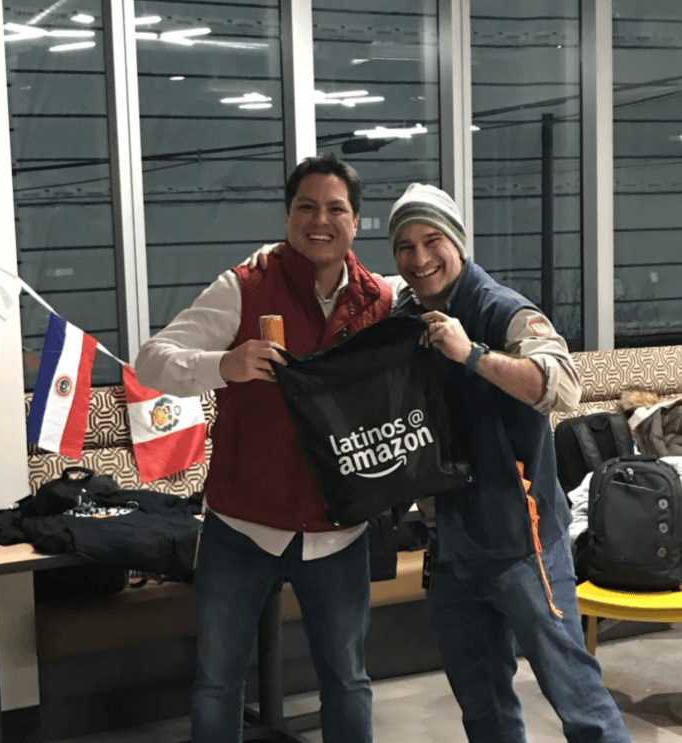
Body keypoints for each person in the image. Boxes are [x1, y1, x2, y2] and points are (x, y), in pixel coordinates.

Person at [134, 153, 394, 743]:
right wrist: (224, 364)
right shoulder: (244, 287)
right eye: (306, 206)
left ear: (356, 222)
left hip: (337, 530)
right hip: (241, 525)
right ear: (286, 217)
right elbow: (151, 360)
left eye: (335, 208)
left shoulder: (379, 301)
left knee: (348, 681)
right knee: (218, 683)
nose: (319, 220)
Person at [387, 183, 632, 742]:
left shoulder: (500, 307)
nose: (420, 258)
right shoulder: (406, 313)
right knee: (485, 712)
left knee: (579, 702)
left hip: (524, 546)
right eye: (405, 246)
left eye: (432, 241)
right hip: (451, 551)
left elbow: (563, 387)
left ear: (458, 242)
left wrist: (470, 353)